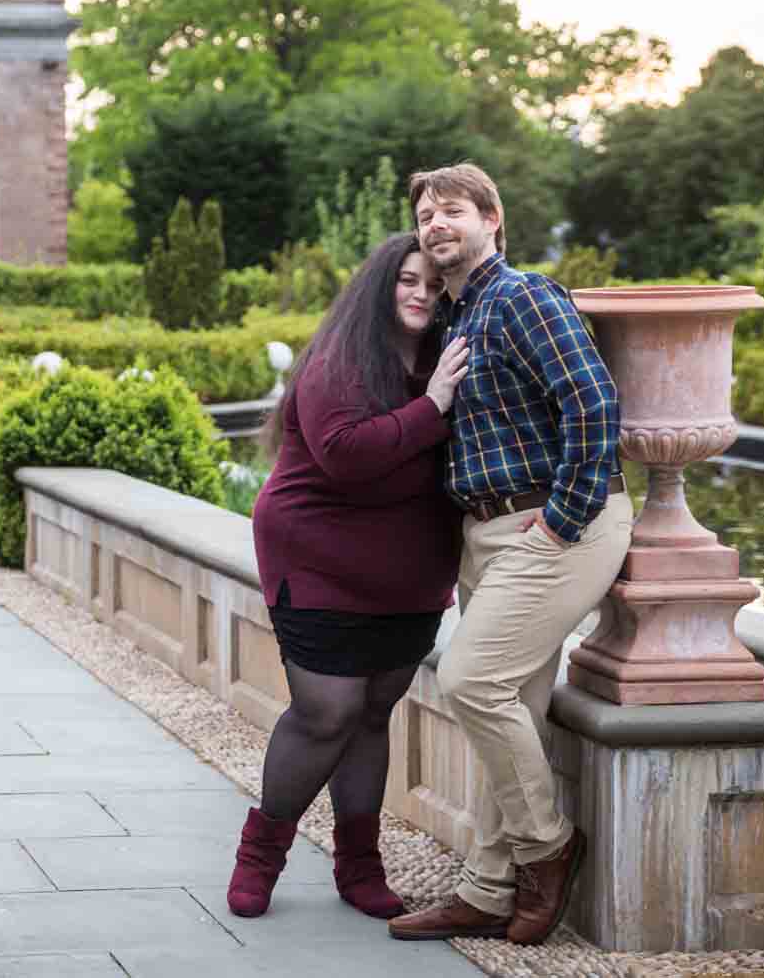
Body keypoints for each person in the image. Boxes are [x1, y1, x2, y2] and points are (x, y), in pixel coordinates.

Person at [388, 163, 628, 948]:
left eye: (452, 209)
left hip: (555, 522)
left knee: (467, 677)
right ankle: (489, 888)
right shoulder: (458, 319)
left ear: (493, 218)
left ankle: (548, 847)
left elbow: (593, 401)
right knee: (511, 701)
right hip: (487, 532)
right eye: (425, 214)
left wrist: (560, 521)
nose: (435, 224)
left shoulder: (523, 294)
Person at [227, 233, 472, 921]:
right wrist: (435, 406)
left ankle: (359, 861)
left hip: (407, 573)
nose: (422, 293)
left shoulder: (442, 353)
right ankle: (260, 853)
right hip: (318, 559)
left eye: (433, 283)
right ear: (379, 285)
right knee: (326, 710)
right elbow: (345, 453)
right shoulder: (339, 359)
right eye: (407, 280)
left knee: (372, 711)